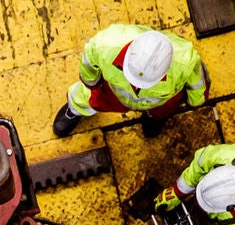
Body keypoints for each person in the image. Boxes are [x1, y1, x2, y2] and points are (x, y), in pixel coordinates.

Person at [52, 25, 210, 139]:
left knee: (161, 111)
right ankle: (74, 109)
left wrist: (195, 101)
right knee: (87, 96)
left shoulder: (187, 61)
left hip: (160, 102)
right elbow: (88, 62)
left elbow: (199, 84)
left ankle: (153, 118)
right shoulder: (105, 44)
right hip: (113, 91)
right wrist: (91, 83)